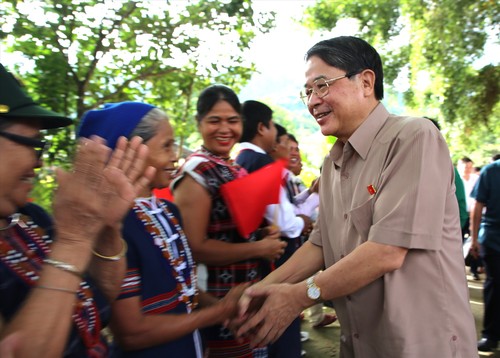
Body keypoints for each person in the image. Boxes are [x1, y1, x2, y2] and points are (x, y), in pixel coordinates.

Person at [234, 36, 477, 357]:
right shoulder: (333, 163)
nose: (312, 101)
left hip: (420, 343)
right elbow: (320, 245)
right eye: (307, 92)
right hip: (360, 342)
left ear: (365, 82)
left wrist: (299, 296)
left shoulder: (413, 137)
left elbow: (388, 250)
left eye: (321, 86)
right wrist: (260, 290)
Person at [0, 64, 155, 357]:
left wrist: (107, 227)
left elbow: (100, 293)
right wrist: (74, 241)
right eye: (34, 145)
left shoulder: (30, 219)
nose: (38, 163)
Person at [77, 101, 251, 357]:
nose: (174, 156)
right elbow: (132, 333)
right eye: (166, 146)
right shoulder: (114, 226)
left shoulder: (169, 212)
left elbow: (184, 288)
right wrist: (219, 312)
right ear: (130, 151)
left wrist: (224, 306)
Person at [172, 85, 285, 358]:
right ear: (199, 123)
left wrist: (261, 233)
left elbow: (232, 228)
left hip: (244, 295)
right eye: (214, 121)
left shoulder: (231, 166)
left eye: (232, 121)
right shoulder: (196, 172)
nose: (225, 129)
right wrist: (258, 249)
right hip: (216, 299)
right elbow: (194, 247)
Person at [470, 154, 500, 352]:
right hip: (493, 240)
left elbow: (478, 206)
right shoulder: (492, 170)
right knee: (495, 287)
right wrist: (473, 240)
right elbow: (478, 205)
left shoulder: (491, 170)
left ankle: (490, 336)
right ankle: (490, 334)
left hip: (491, 238)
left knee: (495, 287)